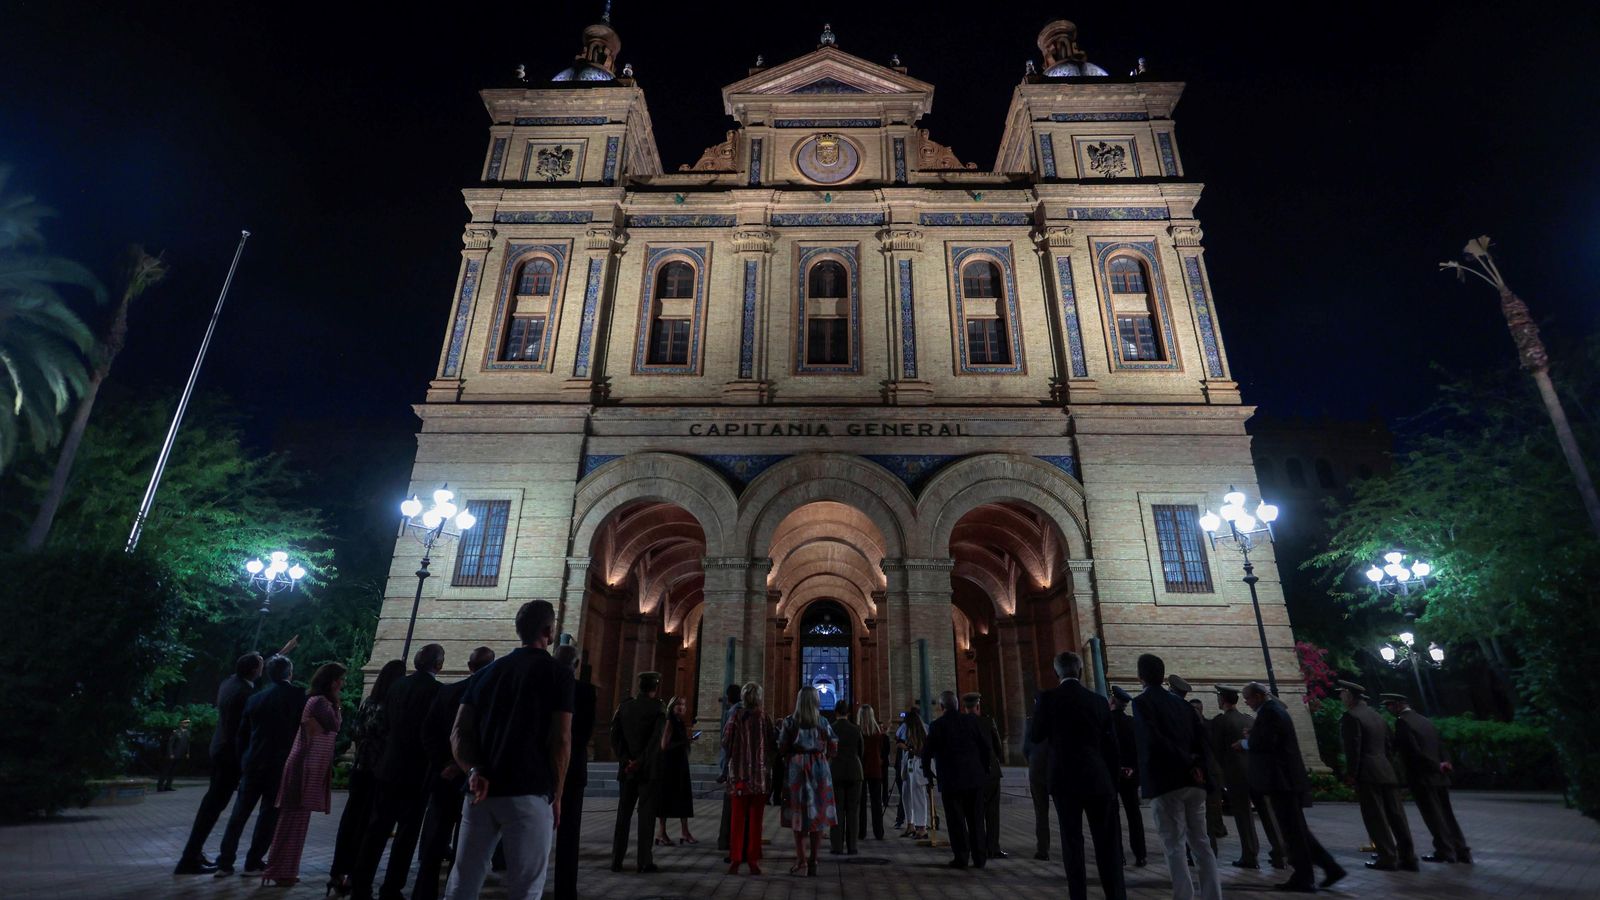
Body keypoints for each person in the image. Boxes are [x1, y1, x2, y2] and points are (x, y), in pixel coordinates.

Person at [444, 599, 575, 900]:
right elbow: (562, 739)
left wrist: (473, 770)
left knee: (463, 880)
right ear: (548, 630)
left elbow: (459, 732)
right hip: (529, 791)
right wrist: (558, 793)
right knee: (525, 887)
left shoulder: (485, 674)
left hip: (479, 792)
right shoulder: (558, 674)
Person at [176, 638, 295, 875]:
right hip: (232, 757)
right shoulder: (244, 695)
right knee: (215, 807)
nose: (263, 667)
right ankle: (190, 857)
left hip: (219, 750)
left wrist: (280, 654)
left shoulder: (230, 683)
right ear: (253, 670)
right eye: (260, 664)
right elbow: (245, 729)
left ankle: (196, 854)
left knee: (216, 807)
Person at [351, 643, 447, 900]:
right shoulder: (438, 692)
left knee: (376, 830)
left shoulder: (396, 687)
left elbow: (385, 724)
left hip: (388, 767)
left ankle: (360, 886)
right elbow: (435, 734)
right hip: (417, 773)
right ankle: (391, 888)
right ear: (438, 665)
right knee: (406, 835)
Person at [1029, 651, 1125, 900]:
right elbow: (1112, 747)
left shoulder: (1048, 699)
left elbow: (1035, 736)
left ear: (1056, 673)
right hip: (1098, 779)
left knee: (1072, 843)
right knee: (1108, 845)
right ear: (1080, 671)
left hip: (1064, 781)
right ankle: (1116, 895)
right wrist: (1112, 782)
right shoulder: (1099, 701)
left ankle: (1078, 896)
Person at [1240, 681, 1346, 892]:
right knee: (1298, 830)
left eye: (1249, 698)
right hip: (1285, 780)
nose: (1247, 702)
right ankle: (1330, 867)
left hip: (1282, 782)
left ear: (1260, 696)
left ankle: (1304, 877)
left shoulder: (1270, 711)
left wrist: (1246, 742)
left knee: (1292, 832)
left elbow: (1266, 743)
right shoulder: (1275, 710)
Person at [1132, 654, 1220, 900]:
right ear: (1162, 676)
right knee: (1202, 843)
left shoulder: (1142, 703)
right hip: (1195, 781)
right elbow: (1202, 739)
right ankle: (1213, 895)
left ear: (1140, 676)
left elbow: (1152, 740)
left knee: (1174, 845)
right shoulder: (1183, 704)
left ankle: (1183, 896)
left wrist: (1185, 762)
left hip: (1167, 781)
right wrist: (1197, 766)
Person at [413, 646, 497, 900]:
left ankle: (422, 894)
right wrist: (470, 767)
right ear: (492, 667)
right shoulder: (495, 697)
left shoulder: (447, 691)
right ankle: (454, 892)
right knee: (466, 846)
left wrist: (444, 763)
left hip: (445, 778)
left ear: (470, 667)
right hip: (475, 782)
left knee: (433, 840)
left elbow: (428, 732)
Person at [215, 652, 307, 878]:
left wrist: (243, 760)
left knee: (239, 814)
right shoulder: (298, 697)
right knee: (268, 815)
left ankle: (225, 862)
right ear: (290, 673)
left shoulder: (255, 698)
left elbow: (242, 735)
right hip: (280, 765)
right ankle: (254, 862)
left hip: (253, 762)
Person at [261, 662, 346, 887]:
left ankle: (284, 870)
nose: (342, 684)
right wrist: (337, 705)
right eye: (340, 679)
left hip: (309, 766)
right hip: (304, 767)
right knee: (293, 821)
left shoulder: (318, 701)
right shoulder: (319, 702)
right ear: (331, 681)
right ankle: (280, 870)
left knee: (297, 821)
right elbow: (335, 724)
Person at [329, 658, 406, 894]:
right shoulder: (391, 708)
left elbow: (355, 732)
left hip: (360, 769)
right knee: (369, 826)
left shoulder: (368, 703)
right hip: (378, 772)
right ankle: (355, 876)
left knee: (350, 821)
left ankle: (337, 873)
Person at [1335, 680, 1417, 872]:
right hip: (1386, 770)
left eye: (1341, 694)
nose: (1340, 698)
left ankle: (1387, 857)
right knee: (1397, 816)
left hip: (1367, 772)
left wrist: (1351, 774)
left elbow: (1354, 749)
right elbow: (1390, 745)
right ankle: (1408, 857)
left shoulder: (1351, 716)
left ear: (1348, 694)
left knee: (1375, 817)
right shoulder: (1377, 716)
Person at [1382, 693, 1472, 864]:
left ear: (1399, 705)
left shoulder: (1402, 722)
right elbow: (1440, 746)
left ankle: (1445, 851)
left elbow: (1413, 753)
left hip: (1422, 777)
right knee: (1447, 814)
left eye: (1390, 705)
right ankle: (1462, 850)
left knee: (1433, 816)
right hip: (1440, 776)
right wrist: (1444, 764)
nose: (1389, 709)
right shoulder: (1424, 720)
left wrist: (1433, 766)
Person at [1211, 685, 1285, 870]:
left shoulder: (1220, 722)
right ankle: (1281, 853)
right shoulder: (1249, 719)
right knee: (1267, 813)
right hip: (1256, 772)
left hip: (1235, 775)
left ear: (1222, 700)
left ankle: (1250, 855)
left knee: (1243, 815)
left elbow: (1217, 751)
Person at [924, 690, 992, 869]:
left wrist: (927, 773)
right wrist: (984, 770)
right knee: (976, 819)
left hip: (951, 780)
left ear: (941, 707)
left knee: (956, 821)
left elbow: (926, 752)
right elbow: (985, 748)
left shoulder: (937, 725)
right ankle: (980, 858)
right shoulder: (971, 721)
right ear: (958, 705)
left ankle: (961, 857)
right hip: (974, 779)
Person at [779, 686, 839, 876]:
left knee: (797, 814)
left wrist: (791, 758)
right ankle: (814, 859)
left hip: (796, 768)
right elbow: (834, 746)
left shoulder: (790, 722)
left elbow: (781, 746)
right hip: (819, 769)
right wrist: (823, 759)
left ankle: (801, 859)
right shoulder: (822, 722)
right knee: (818, 815)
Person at [611, 671, 666, 873]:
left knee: (623, 815)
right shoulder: (658, 708)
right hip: (647, 771)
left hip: (627, 770)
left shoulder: (624, 707)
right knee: (646, 817)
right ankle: (644, 861)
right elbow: (655, 741)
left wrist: (626, 760)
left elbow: (614, 737)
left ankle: (616, 860)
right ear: (656, 687)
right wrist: (640, 762)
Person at [553, 647, 597, 900]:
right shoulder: (585, 691)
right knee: (569, 834)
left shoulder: (539, 686)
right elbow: (584, 733)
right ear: (577, 664)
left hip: (538, 768)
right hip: (572, 767)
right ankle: (565, 890)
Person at [723, 682, 773, 875]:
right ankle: (753, 860)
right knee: (755, 821)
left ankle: (735, 859)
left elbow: (725, 741)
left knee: (737, 820)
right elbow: (771, 743)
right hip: (759, 778)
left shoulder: (736, 716)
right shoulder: (764, 717)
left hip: (739, 777)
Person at [962, 692, 1007, 860]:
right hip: (991, 773)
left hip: (972, 774)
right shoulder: (988, 721)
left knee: (975, 813)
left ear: (965, 707)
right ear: (978, 706)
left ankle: (978, 847)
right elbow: (997, 746)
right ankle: (993, 847)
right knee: (992, 813)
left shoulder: (962, 723)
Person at [1109, 686, 1147, 867]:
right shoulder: (1132, 723)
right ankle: (1141, 855)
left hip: (1111, 775)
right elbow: (1139, 749)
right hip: (1130, 775)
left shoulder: (1106, 721)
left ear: (1112, 701)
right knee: (1134, 815)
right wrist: (1132, 768)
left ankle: (1118, 855)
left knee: (1112, 816)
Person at [654, 695, 699, 846]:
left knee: (684, 797)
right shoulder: (670, 721)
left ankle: (685, 832)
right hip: (670, 765)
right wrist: (684, 741)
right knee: (666, 798)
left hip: (680, 764)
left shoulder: (680, 722)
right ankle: (661, 832)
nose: (682, 707)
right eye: (678, 704)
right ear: (672, 706)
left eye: (684, 704)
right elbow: (664, 745)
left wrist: (687, 741)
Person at [829, 699, 864, 855]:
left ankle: (837, 846)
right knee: (853, 811)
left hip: (835, 772)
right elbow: (861, 751)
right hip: (854, 772)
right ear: (848, 713)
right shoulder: (856, 729)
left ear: (835, 712)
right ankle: (852, 846)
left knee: (837, 810)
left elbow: (826, 750)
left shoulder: (831, 728)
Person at [856, 704, 890, 841]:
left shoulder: (858, 732)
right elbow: (883, 751)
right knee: (876, 802)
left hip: (861, 769)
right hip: (876, 769)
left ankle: (861, 832)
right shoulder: (879, 733)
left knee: (861, 802)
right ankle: (879, 832)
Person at [716, 683, 742, 859]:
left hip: (733, 768)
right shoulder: (754, 713)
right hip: (749, 772)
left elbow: (726, 744)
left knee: (730, 806)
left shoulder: (732, 714)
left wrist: (724, 770)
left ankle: (726, 841)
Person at [1022, 714, 1053, 861]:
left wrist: (1032, 761)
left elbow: (1025, 748)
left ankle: (1043, 849)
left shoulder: (1032, 721)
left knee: (1041, 813)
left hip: (1037, 769)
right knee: (1066, 814)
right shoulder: (1059, 718)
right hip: (1056, 768)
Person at [900, 708, 930, 839]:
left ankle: (921, 827)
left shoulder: (920, 730)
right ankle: (915, 825)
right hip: (913, 764)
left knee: (918, 796)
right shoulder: (918, 729)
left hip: (917, 765)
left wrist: (910, 748)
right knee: (911, 795)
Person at [158, 719, 191, 792]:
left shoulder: (187, 733)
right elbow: (170, 744)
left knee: (173, 771)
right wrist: (170, 753)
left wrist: (187, 753)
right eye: (185, 723)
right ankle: (160, 786)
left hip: (180, 755)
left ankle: (168, 786)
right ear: (181, 723)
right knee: (166, 770)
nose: (186, 724)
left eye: (187, 723)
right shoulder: (176, 732)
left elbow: (188, 744)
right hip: (172, 755)